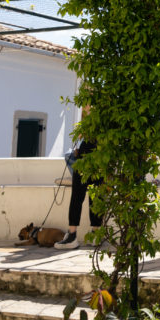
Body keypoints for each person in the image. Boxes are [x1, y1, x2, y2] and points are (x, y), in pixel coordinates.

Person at [55, 106, 102, 250]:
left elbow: (85, 140)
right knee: (96, 199)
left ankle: (72, 235)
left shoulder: (91, 122)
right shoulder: (107, 121)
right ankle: (95, 235)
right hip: (100, 163)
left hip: (84, 163)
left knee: (77, 198)